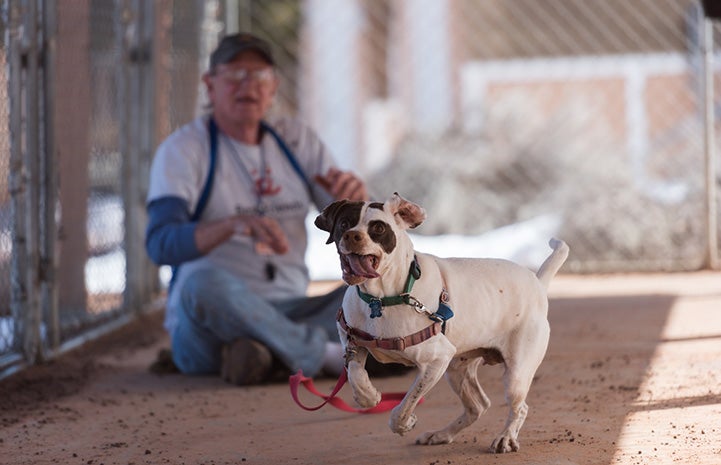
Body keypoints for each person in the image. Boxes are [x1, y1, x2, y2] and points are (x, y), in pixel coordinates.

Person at [145, 32, 368, 385]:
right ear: (210, 84)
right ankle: (325, 357)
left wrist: (354, 203)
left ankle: (263, 354)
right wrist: (232, 225)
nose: (247, 85)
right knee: (199, 284)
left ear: (274, 86)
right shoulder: (184, 149)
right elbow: (161, 243)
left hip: (293, 310)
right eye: (234, 74)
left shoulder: (296, 139)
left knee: (368, 288)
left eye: (260, 76)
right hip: (210, 322)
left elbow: (343, 224)